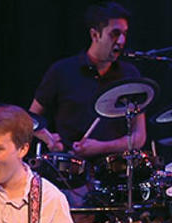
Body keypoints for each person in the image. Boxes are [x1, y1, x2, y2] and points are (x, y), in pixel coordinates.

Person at [30, 1, 146, 159]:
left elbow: (139, 136)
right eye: (115, 33)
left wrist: (101, 147)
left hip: (117, 171)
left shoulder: (130, 74)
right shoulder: (62, 71)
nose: (121, 41)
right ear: (95, 35)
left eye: (124, 34)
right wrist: (49, 140)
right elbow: (30, 119)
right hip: (70, 169)